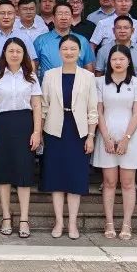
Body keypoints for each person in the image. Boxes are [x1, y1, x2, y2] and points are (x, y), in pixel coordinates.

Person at [0, 38, 42, 239]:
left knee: (24, 172)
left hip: (25, 124)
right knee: (4, 172)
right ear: (4, 54)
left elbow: (36, 105)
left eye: (18, 51)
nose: (14, 54)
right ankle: (6, 217)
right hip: (2, 125)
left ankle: (24, 219)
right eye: (11, 51)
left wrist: (37, 131)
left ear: (24, 54)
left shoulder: (31, 76)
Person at [40, 35, 98, 239]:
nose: (69, 52)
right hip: (55, 130)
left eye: (73, 48)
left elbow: (92, 109)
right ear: (59, 52)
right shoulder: (49, 75)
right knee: (56, 178)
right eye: (65, 48)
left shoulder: (88, 77)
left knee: (75, 178)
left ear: (80, 52)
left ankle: (73, 224)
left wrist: (91, 136)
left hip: (78, 132)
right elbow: (44, 106)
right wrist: (40, 132)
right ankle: (59, 222)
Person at [93, 44, 137, 241]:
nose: (118, 62)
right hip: (106, 136)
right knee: (109, 182)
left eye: (121, 59)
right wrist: (106, 137)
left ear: (129, 61)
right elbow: (98, 111)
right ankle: (109, 223)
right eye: (114, 59)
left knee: (128, 183)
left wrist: (126, 139)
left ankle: (126, 223)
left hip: (130, 138)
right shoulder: (99, 82)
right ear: (109, 62)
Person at [34, 3, 96, 80]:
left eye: (67, 14)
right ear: (53, 18)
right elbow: (33, 67)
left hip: (77, 85)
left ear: (72, 18)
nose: (63, 17)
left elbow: (89, 68)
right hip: (49, 85)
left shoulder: (82, 41)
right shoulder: (40, 40)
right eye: (60, 14)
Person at [0, 1, 38, 76]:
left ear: (15, 16)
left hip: (20, 81)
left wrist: (31, 80)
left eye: (10, 13)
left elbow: (31, 62)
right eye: (2, 13)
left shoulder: (24, 37)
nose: (6, 16)